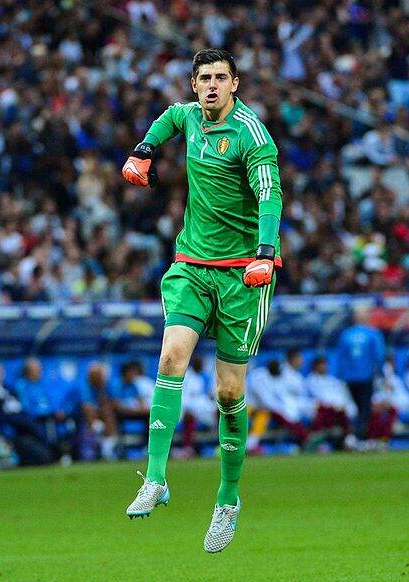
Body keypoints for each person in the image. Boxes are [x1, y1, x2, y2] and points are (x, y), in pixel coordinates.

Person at [120, 48, 283, 552]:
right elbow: (170, 118)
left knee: (229, 394)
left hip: (243, 275)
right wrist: (144, 149)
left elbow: (269, 194)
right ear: (194, 85)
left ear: (236, 84)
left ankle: (227, 500)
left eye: (220, 77)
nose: (212, 85)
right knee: (171, 357)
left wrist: (265, 252)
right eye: (204, 78)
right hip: (192, 265)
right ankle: (155, 477)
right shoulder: (188, 116)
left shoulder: (252, 134)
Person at [0, 362, 50, 463]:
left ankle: (43, 449)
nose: (0, 372)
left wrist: (6, 400)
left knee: (31, 420)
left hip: (15, 414)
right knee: (27, 422)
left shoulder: (4, 386)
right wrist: (4, 401)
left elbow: (15, 397)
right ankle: (47, 446)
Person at [334, 308, 386, 438]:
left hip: (349, 377)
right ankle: (357, 436)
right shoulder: (373, 333)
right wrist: (381, 374)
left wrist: (339, 376)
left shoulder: (346, 334)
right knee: (364, 408)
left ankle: (357, 435)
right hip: (365, 376)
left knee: (357, 407)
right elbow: (379, 355)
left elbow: (340, 357)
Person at [305, 355, 358, 450]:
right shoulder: (311, 380)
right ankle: (317, 440)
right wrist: (334, 405)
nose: (324, 367)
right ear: (315, 366)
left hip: (336, 410)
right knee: (326, 411)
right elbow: (319, 396)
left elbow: (341, 395)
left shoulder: (332, 380)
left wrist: (341, 405)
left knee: (343, 413)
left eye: (325, 365)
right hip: (322, 409)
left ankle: (348, 440)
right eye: (321, 365)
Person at [179, 355, 216, 456]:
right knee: (189, 416)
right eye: (199, 364)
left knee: (217, 410)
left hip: (200, 405)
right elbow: (184, 395)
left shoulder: (200, 377)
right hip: (186, 405)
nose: (201, 366)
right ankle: (187, 448)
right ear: (194, 364)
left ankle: (220, 443)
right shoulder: (186, 375)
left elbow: (202, 395)